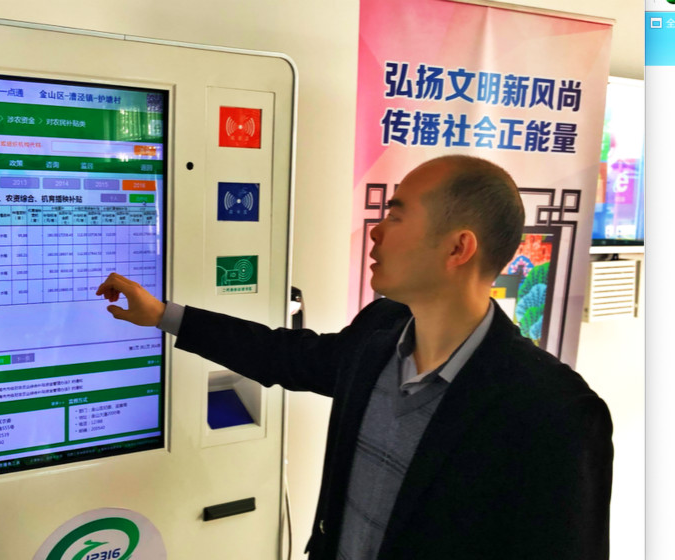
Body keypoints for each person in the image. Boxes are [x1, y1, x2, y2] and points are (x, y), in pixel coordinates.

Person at [96, 155, 613, 560]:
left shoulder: (552, 412)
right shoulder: (380, 332)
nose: (376, 230)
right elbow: (284, 355)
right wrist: (164, 314)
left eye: (397, 215)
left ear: (458, 249)